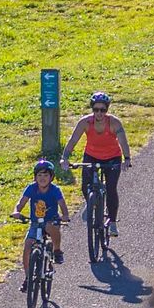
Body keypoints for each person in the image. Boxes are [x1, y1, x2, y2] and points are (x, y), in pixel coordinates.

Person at [60, 90, 132, 238]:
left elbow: (123, 141)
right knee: (85, 186)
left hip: (112, 158)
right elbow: (73, 141)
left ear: (107, 110)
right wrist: (64, 158)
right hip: (92, 156)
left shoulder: (114, 123)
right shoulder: (85, 122)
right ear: (92, 109)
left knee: (111, 189)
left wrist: (127, 159)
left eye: (103, 110)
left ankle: (112, 222)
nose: (99, 113)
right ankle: (92, 203)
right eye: (96, 109)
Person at [12, 159, 69, 275]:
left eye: (46, 175)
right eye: (39, 175)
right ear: (35, 177)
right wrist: (16, 211)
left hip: (51, 220)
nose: (42, 178)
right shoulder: (31, 188)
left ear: (51, 177)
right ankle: (28, 277)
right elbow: (21, 202)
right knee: (27, 247)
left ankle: (57, 250)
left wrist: (65, 215)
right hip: (35, 222)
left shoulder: (55, 190)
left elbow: (62, 203)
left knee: (51, 227)